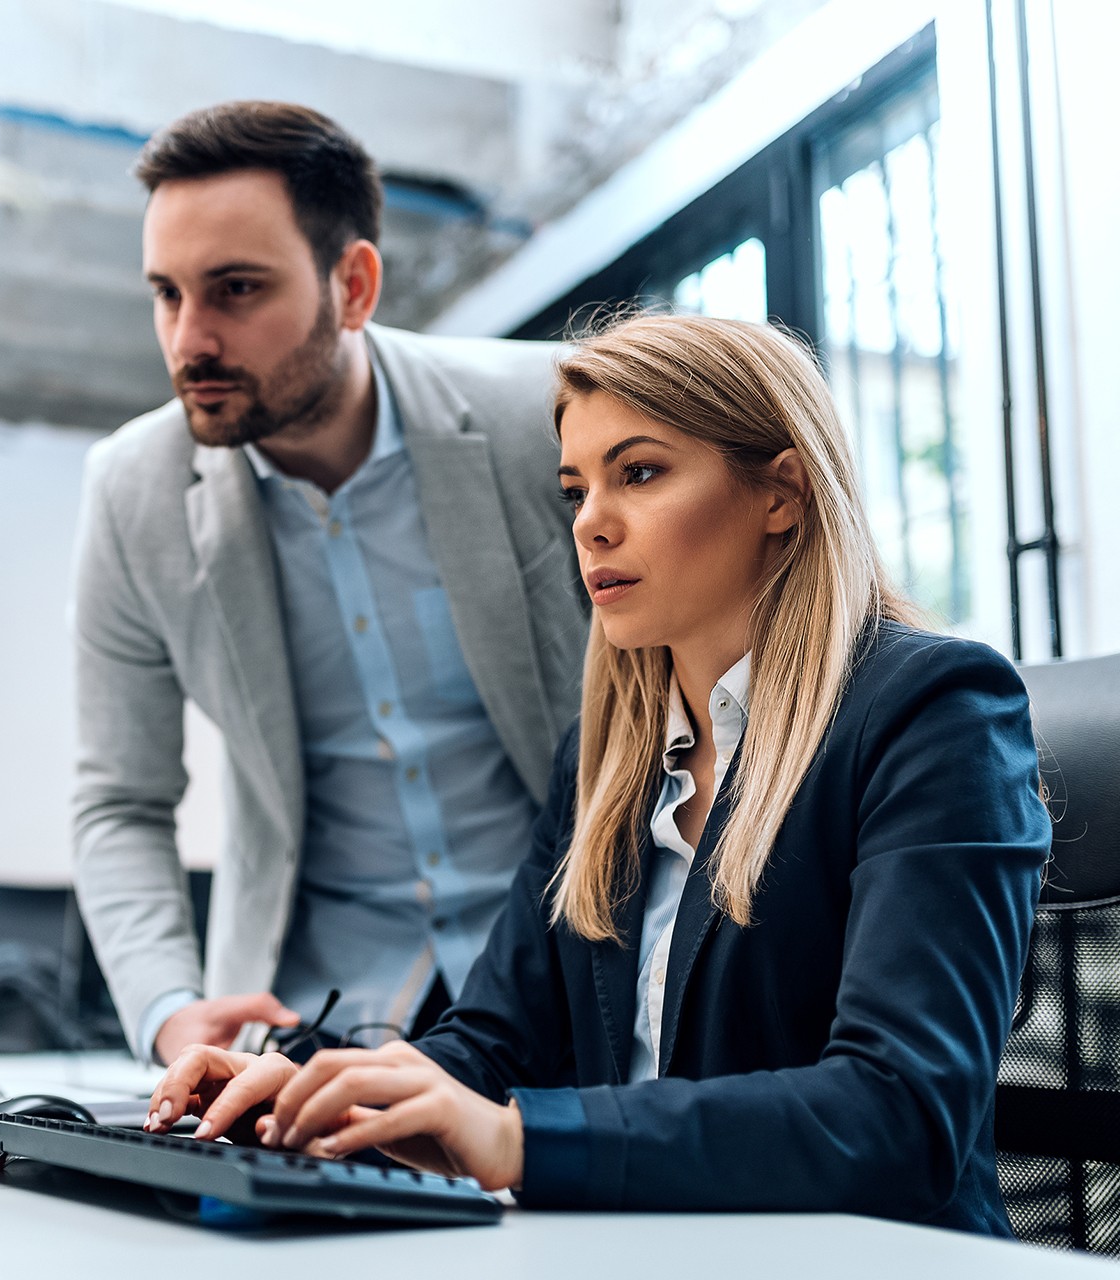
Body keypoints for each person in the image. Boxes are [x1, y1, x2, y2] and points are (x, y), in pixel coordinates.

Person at [143, 313, 1051, 1235]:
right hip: (642, 1246)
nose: (591, 524)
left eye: (640, 473)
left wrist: (516, 1141)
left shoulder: (934, 712)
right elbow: (492, 1045)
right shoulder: (606, 757)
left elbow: (898, 1113)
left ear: (781, 492)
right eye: (575, 490)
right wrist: (318, 1098)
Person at [70, 101, 587, 1066]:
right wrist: (169, 1010)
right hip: (310, 1016)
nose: (189, 340)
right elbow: (120, 800)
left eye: (235, 289)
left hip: (571, 979)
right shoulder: (131, 491)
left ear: (353, 286)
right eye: (168, 294)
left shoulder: (547, 415)